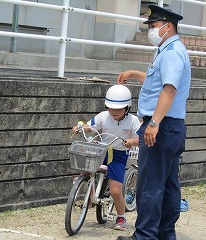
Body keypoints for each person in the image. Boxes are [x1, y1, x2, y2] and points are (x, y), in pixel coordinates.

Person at [116, 4, 191, 240]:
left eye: (154, 26)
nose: (151, 30)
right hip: (171, 126)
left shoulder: (171, 53)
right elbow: (157, 81)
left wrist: (154, 123)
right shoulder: (168, 51)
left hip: (162, 125)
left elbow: (168, 89)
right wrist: (134, 73)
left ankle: (145, 236)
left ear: (168, 27)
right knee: (168, 184)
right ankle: (164, 234)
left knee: (149, 185)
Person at [72, 85, 140, 231]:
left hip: (119, 155)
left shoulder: (133, 121)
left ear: (127, 107)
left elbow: (140, 138)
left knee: (116, 190)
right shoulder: (103, 116)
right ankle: (89, 197)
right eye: (111, 107)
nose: (114, 111)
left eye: (118, 108)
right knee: (84, 169)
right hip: (102, 151)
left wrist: (131, 142)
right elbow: (89, 127)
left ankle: (121, 216)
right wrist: (79, 127)